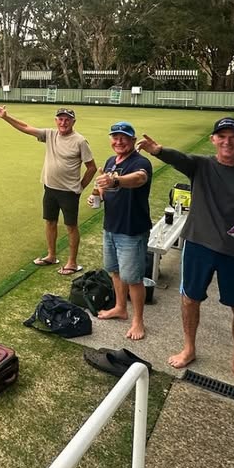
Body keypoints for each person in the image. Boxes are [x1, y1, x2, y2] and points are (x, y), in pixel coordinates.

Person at [138, 117, 234, 389]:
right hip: (198, 245)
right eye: (222, 136)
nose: (227, 141)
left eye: (233, 136)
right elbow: (178, 158)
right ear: (214, 140)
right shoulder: (202, 166)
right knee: (190, 299)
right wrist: (157, 150)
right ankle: (189, 348)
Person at [0, 106, 97, 274]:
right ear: (56, 121)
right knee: (50, 222)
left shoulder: (80, 141)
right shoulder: (50, 134)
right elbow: (26, 127)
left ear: (73, 122)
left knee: (71, 226)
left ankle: (72, 262)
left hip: (69, 192)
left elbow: (91, 167)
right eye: (60, 119)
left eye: (67, 119)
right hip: (50, 188)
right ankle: (51, 255)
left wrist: (80, 187)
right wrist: (6, 117)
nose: (63, 122)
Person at [91, 121, 152, 341]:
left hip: (131, 230)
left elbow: (139, 179)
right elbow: (106, 190)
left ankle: (138, 321)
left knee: (134, 278)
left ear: (133, 141)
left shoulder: (140, 162)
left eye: (124, 138)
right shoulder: (110, 161)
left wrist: (115, 179)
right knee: (115, 271)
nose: (119, 142)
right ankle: (120, 307)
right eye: (115, 137)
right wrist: (96, 194)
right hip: (111, 226)